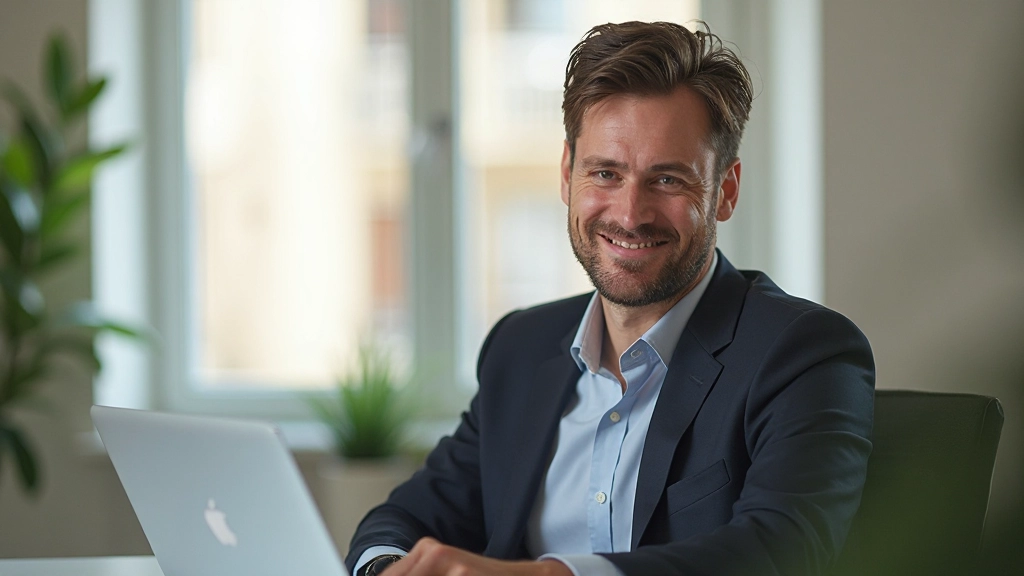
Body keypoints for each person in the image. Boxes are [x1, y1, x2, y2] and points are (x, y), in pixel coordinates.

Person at [347, 21, 874, 576]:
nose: (629, 214)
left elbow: (780, 551)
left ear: (726, 190)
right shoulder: (520, 348)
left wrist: (550, 575)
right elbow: (405, 517)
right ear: (566, 174)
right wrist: (387, 569)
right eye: (605, 173)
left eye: (668, 180)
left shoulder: (803, 353)